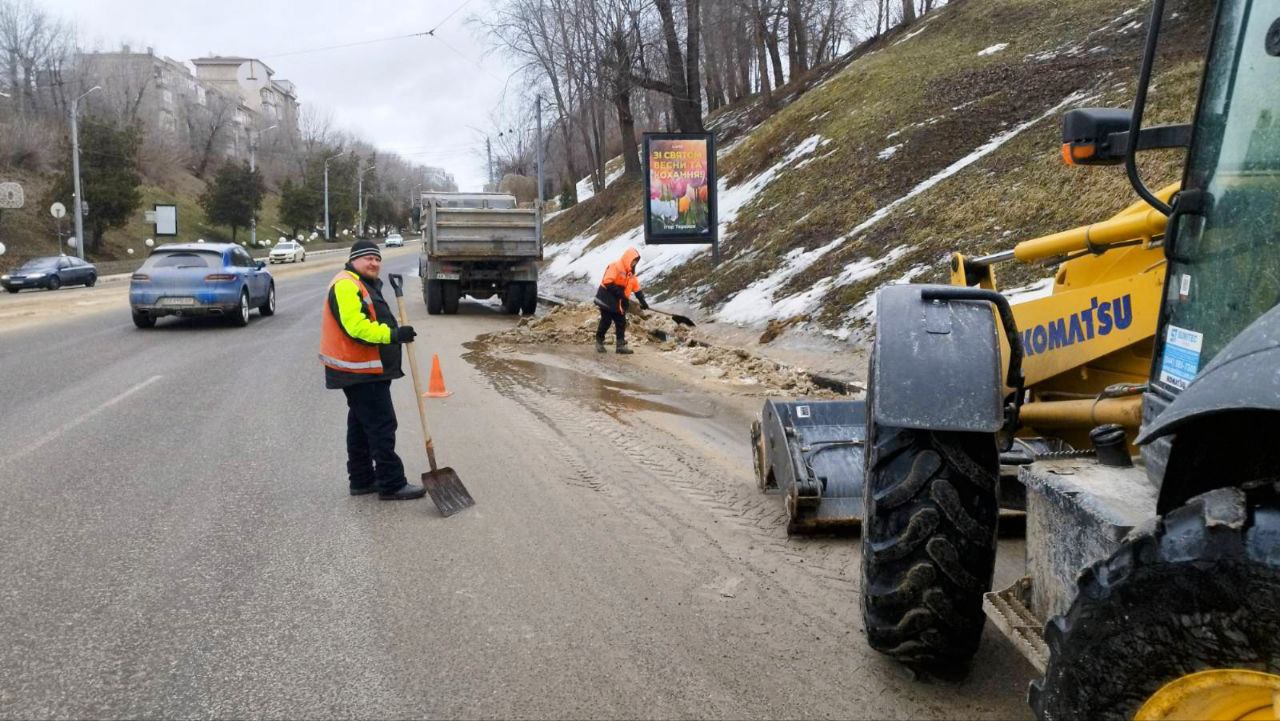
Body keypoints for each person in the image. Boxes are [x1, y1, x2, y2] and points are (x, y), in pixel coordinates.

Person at [319, 239, 425, 500]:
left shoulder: (361, 283)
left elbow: (370, 318)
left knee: (360, 426)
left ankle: (362, 479)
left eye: (377, 259)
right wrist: (392, 335)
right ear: (354, 259)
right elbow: (355, 326)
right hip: (359, 370)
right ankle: (391, 483)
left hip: (363, 369)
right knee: (381, 425)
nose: (374, 263)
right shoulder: (346, 284)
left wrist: (395, 331)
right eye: (368, 258)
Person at [593, 246, 648, 354]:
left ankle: (620, 346)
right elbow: (608, 282)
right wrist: (621, 294)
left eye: (636, 262)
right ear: (628, 259)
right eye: (633, 261)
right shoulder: (615, 266)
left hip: (619, 301)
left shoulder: (631, 275)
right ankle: (599, 342)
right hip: (607, 297)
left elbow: (637, 289)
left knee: (621, 322)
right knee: (606, 320)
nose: (634, 264)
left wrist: (643, 301)